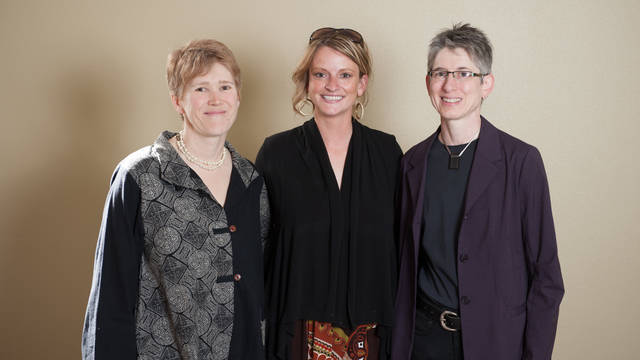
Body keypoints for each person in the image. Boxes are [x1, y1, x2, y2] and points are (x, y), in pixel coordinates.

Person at [81, 39, 269, 359]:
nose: (215, 99)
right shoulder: (139, 176)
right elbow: (110, 295)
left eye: (225, 87)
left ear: (238, 97)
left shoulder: (252, 182)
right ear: (178, 101)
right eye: (200, 88)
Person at [392, 24, 564, 360]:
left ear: (486, 83)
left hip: (497, 343)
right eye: (440, 72)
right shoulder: (412, 163)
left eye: (464, 73)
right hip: (424, 342)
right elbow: (402, 265)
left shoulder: (521, 161)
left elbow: (547, 278)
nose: (449, 84)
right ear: (428, 82)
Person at [256, 28, 402, 360]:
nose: (332, 85)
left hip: (372, 335)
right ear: (306, 82)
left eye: (345, 75)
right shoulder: (276, 154)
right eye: (321, 74)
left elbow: (401, 248)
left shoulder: (388, 154)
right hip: (295, 334)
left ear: (361, 84)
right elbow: (255, 248)